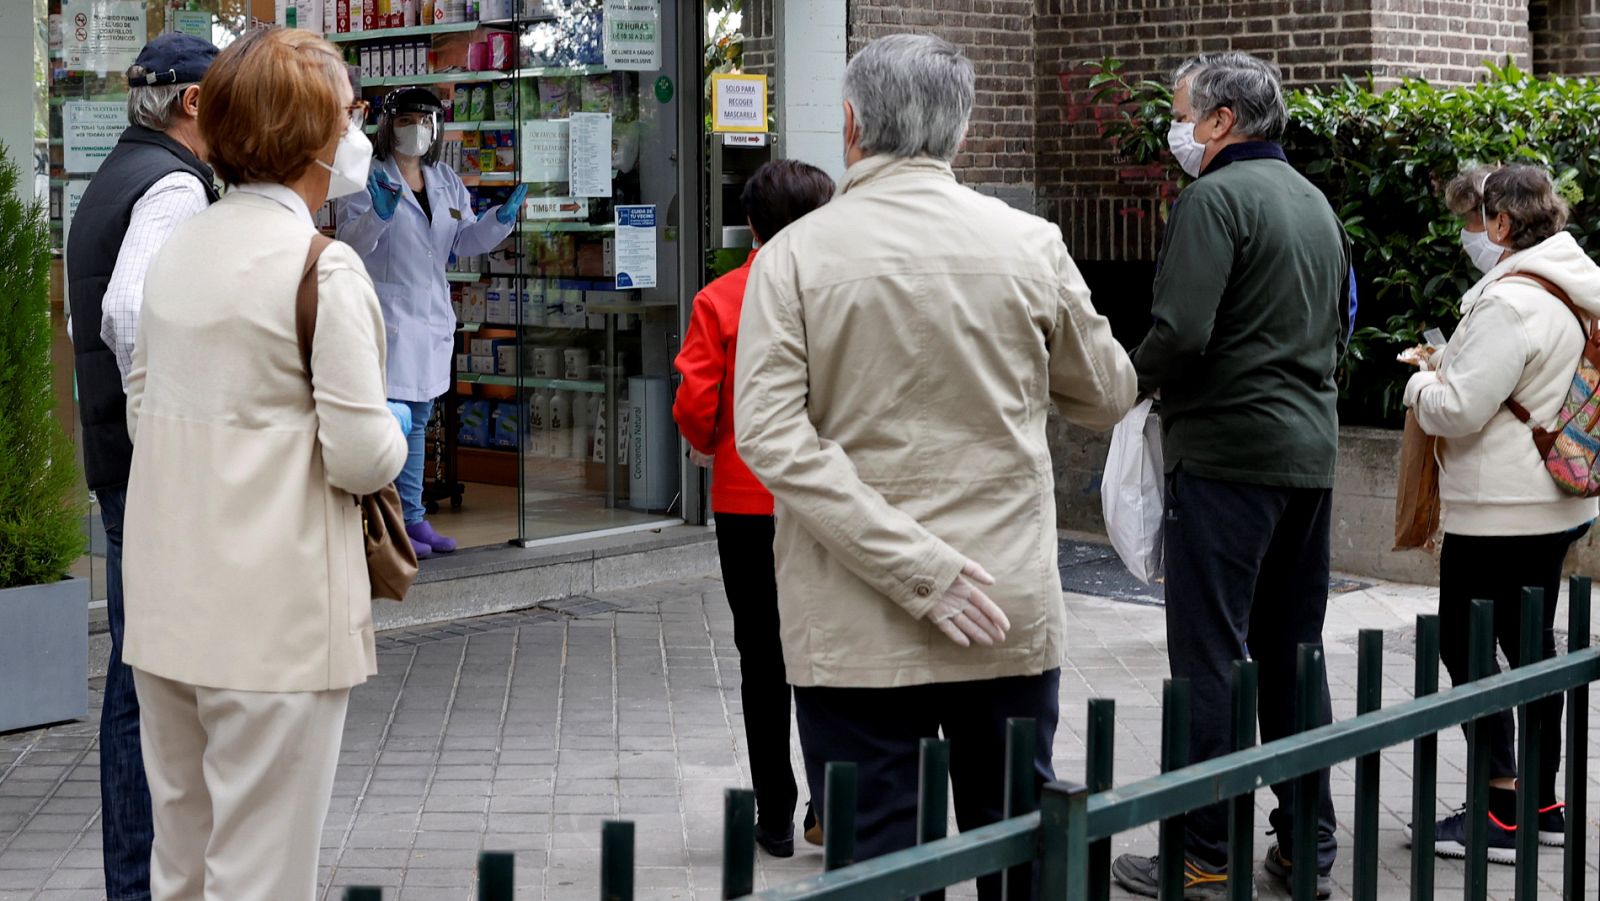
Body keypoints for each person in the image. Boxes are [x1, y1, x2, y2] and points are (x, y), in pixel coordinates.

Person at [733, 34, 1136, 900]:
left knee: (880, 860)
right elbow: (1108, 392)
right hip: (1003, 600)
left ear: (850, 125)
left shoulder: (792, 258)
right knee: (1019, 846)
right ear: (962, 130)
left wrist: (915, 567)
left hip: (854, 615)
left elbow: (768, 436)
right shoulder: (1030, 244)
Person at [121, 26, 407, 900]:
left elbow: (142, 403)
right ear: (311, 133)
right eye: (349, 112)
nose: (357, 129)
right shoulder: (323, 268)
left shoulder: (177, 247)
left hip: (168, 605)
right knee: (263, 875)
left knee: (183, 861)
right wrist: (396, 428)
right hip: (278, 619)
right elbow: (361, 454)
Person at [1110, 52, 1351, 900]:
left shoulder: (1213, 200)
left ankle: (1203, 848)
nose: (1175, 131)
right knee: (1294, 654)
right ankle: (1307, 843)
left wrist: (1123, 380)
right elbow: (1340, 324)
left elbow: (1180, 331)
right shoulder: (1314, 202)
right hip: (1308, 457)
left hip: (1226, 457)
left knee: (1210, 653)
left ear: (1220, 121)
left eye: (1182, 116)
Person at [1403, 164, 1600, 862]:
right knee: (1531, 647)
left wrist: (1420, 383)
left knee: (1465, 643)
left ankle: (1500, 805)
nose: (1470, 233)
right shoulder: (1575, 285)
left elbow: (1459, 409)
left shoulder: (1510, 301)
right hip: (1555, 499)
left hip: (1498, 508)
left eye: (1474, 220)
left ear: (1502, 223)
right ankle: (1541, 802)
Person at [64, 31, 220, 901]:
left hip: (119, 458)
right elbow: (126, 311)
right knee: (144, 684)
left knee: (138, 675)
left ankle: (136, 879)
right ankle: (137, 884)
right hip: (144, 466)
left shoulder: (121, 171)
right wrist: (161, 423)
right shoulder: (174, 184)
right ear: (193, 102)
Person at [672, 158, 835, 857]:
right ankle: (832, 802)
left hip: (746, 498)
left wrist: (711, 440)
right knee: (828, 649)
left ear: (751, 224)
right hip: (831, 497)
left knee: (762, 656)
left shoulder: (722, 298)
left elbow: (695, 401)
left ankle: (774, 814)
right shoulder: (842, 296)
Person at [337, 87, 526, 558]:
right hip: (388, 318)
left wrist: (500, 221)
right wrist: (378, 216)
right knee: (388, 426)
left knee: (418, 421)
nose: (417, 129)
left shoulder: (444, 180)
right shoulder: (366, 177)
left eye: (426, 121)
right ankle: (385, 524)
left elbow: (463, 241)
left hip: (430, 318)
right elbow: (349, 244)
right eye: (407, 120)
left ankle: (414, 518)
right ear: (388, 125)